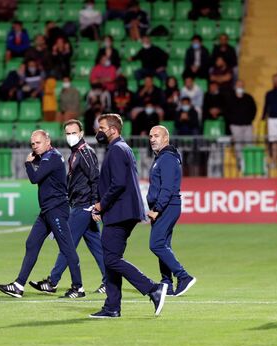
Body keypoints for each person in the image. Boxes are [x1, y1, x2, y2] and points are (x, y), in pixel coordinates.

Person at [89, 113, 168, 318]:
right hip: (124, 211)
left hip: (119, 212)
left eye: (102, 128)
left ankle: (153, 289)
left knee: (112, 259)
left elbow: (118, 184)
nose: (98, 131)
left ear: (113, 130)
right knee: (111, 259)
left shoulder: (116, 150)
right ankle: (112, 307)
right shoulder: (122, 148)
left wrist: (101, 204)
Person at [0, 130, 85, 299]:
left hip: (56, 209)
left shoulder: (52, 157)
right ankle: (18, 285)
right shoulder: (48, 156)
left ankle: (78, 287)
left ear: (47, 141)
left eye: (38, 143)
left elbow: (35, 178)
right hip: (47, 210)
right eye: (32, 144)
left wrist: (28, 163)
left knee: (67, 248)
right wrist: (34, 159)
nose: (35, 146)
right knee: (31, 243)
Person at [29, 120, 107, 295]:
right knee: (97, 246)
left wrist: (95, 205)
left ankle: (53, 281)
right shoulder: (76, 153)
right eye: (67, 133)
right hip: (80, 204)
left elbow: (95, 178)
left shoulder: (85, 152)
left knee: (67, 244)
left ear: (81, 133)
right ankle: (109, 281)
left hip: (84, 205)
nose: (70, 136)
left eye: (73, 132)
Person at [147, 125, 196, 296]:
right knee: (164, 245)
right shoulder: (163, 157)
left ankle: (183, 276)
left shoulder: (166, 158)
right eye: (151, 136)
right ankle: (166, 283)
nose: (152, 139)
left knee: (156, 244)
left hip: (167, 207)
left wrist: (157, 209)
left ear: (166, 138)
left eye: (157, 136)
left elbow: (167, 188)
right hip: (166, 207)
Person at [224, 80, 257, 159]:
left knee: (249, 144)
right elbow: (226, 111)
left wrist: (250, 119)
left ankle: (249, 162)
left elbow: (254, 109)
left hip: (247, 125)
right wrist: (232, 121)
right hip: (235, 126)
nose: (240, 87)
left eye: (242, 86)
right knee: (238, 145)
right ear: (235, 86)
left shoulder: (249, 98)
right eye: (239, 85)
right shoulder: (230, 98)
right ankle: (240, 162)